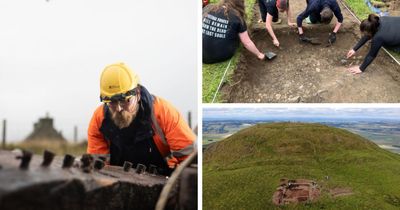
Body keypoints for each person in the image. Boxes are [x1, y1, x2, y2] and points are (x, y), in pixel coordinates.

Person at [87, 63, 196, 176]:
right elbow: (98, 167)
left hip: (162, 178)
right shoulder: (99, 120)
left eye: (125, 100)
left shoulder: (164, 113)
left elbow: (191, 160)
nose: (119, 108)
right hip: (118, 182)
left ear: (137, 93)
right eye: (112, 102)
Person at [203, 0, 270, 64]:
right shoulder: (236, 17)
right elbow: (246, 42)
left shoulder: (209, 8)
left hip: (200, 53)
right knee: (237, 34)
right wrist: (259, 54)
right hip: (221, 55)